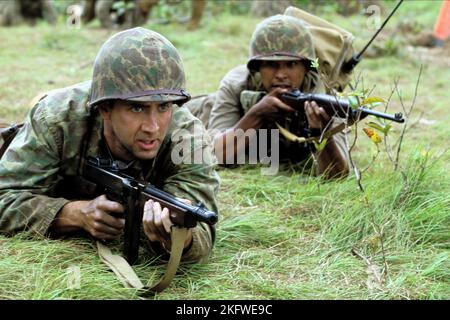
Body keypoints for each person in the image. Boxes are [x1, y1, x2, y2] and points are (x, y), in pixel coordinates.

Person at [0, 27, 220, 264]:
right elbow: (5, 197)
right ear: (105, 108)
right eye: (137, 108)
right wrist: (74, 214)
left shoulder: (188, 140)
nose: (153, 127)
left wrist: (178, 239)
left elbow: (202, 233)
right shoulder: (56, 120)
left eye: (164, 107)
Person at [186, 14, 349, 179]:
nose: (280, 75)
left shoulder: (323, 96)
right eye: (271, 65)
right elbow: (215, 156)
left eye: (291, 64)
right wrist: (256, 114)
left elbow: (338, 176)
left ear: (306, 67)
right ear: (257, 68)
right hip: (203, 112)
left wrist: (322, 133)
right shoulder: (237, 84)